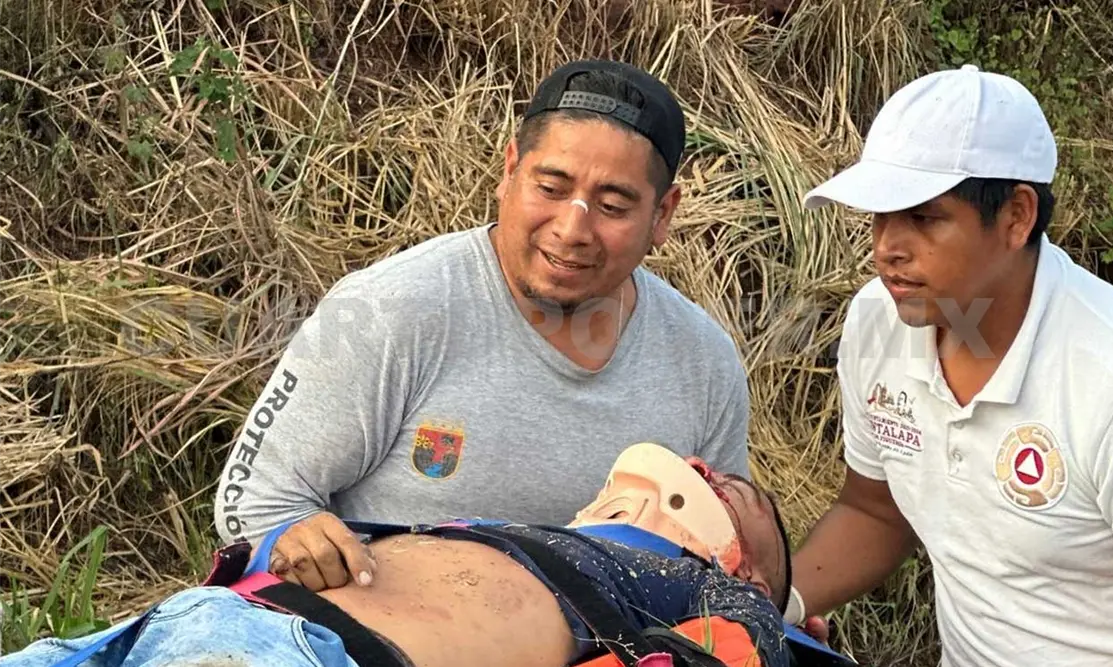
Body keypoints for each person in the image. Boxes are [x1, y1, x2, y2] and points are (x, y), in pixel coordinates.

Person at [211, 58, 753, 559]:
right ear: (510, 171)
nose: (572, 229)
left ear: (662, 215)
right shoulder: (387, 311)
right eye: (550, 187)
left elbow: (727, 548)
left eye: (612, 206)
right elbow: (254, 501)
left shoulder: (702, 362)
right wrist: (301, 548)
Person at [785, 64, 1113, 666]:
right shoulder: (880, 319)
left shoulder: (1108, 374)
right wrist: (769, 607)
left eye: (922, 217)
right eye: (878, 215)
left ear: (1016, 217)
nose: (885, 248)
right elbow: (874, 511)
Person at [7, 445, 795, 667]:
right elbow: (280, 550)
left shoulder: (714, 591)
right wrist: (296, 539)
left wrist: (770, 622)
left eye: (740, 492)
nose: (701, 468)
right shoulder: (502, 531)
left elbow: (736, 646)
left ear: (749, 570)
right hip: (194, 620)